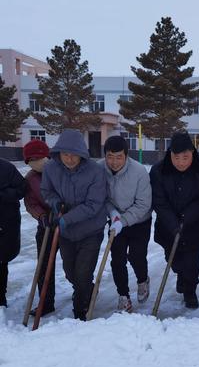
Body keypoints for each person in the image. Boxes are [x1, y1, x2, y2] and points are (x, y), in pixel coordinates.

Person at [41, 129, 107, 321]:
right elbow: (47, 190)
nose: (69, 159)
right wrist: (54, 202)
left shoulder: (96, 171)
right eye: (65, 154)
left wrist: (66, 219)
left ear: (81, 153)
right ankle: (86, 289)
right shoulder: (51, 168)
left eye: (73, 155)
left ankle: (80, 312)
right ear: (58, 153)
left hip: (90, 230)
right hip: (66, 233)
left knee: (83, 273)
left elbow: (93, 205)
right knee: (70, 273)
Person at [150, 132, 199, 309]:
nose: (180, 162)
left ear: (192, 153)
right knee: (174, 260)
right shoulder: (158, 171)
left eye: (185, 157)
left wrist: (187, 217)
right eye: (176, 157)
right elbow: (159, 201)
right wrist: (173, 223)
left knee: (191, 262)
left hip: (194, 226)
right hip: (167, 227)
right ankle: (181, 275)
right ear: (170, 153)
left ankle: (190, 291)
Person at [101, 135, 152, 313]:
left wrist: (123, 221)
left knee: (137, 255)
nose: (114, 162)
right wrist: (113, 213)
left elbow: (144, 204)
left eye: (119, 157)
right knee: (117, 259)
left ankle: (143, 280)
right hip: (115, 220)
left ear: (126, 156)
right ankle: (123, 296)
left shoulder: (139, 172)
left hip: (140, 220)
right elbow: (102, 197)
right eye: (110, 156)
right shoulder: (100, 169)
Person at [23, 140, 56, 317]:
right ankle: (45, 302)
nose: (36, 162)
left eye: (39, 157)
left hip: (66, 225)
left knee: (72, 266)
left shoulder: (60, 171)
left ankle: (84, 292)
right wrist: (41, 216)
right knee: (44, 267)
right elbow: (30, 203)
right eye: (31, 160)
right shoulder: (30, 179)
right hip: (46, 227)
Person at [0, 157, 26, 322]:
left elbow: (22, 189)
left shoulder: (6, 168)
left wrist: (2, 193)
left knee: (1, 261)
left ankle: (1, 299)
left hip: (6, 222)